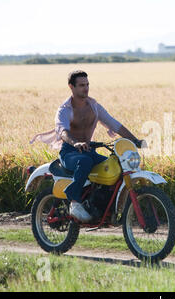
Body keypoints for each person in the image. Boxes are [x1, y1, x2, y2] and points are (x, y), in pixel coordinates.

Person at [30, 70, 143, 222]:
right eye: (82, 85)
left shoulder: (94, 106)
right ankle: (75, 201)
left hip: (88, 150)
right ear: (71, 87)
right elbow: (62, 131)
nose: (86, 88)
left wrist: (135, 140)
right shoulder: (64, 110)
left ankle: (103, 208)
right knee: (85, 161)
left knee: (113, 166)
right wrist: (75, 142)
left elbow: (114, 124)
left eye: (87, 84)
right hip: (70, 152)